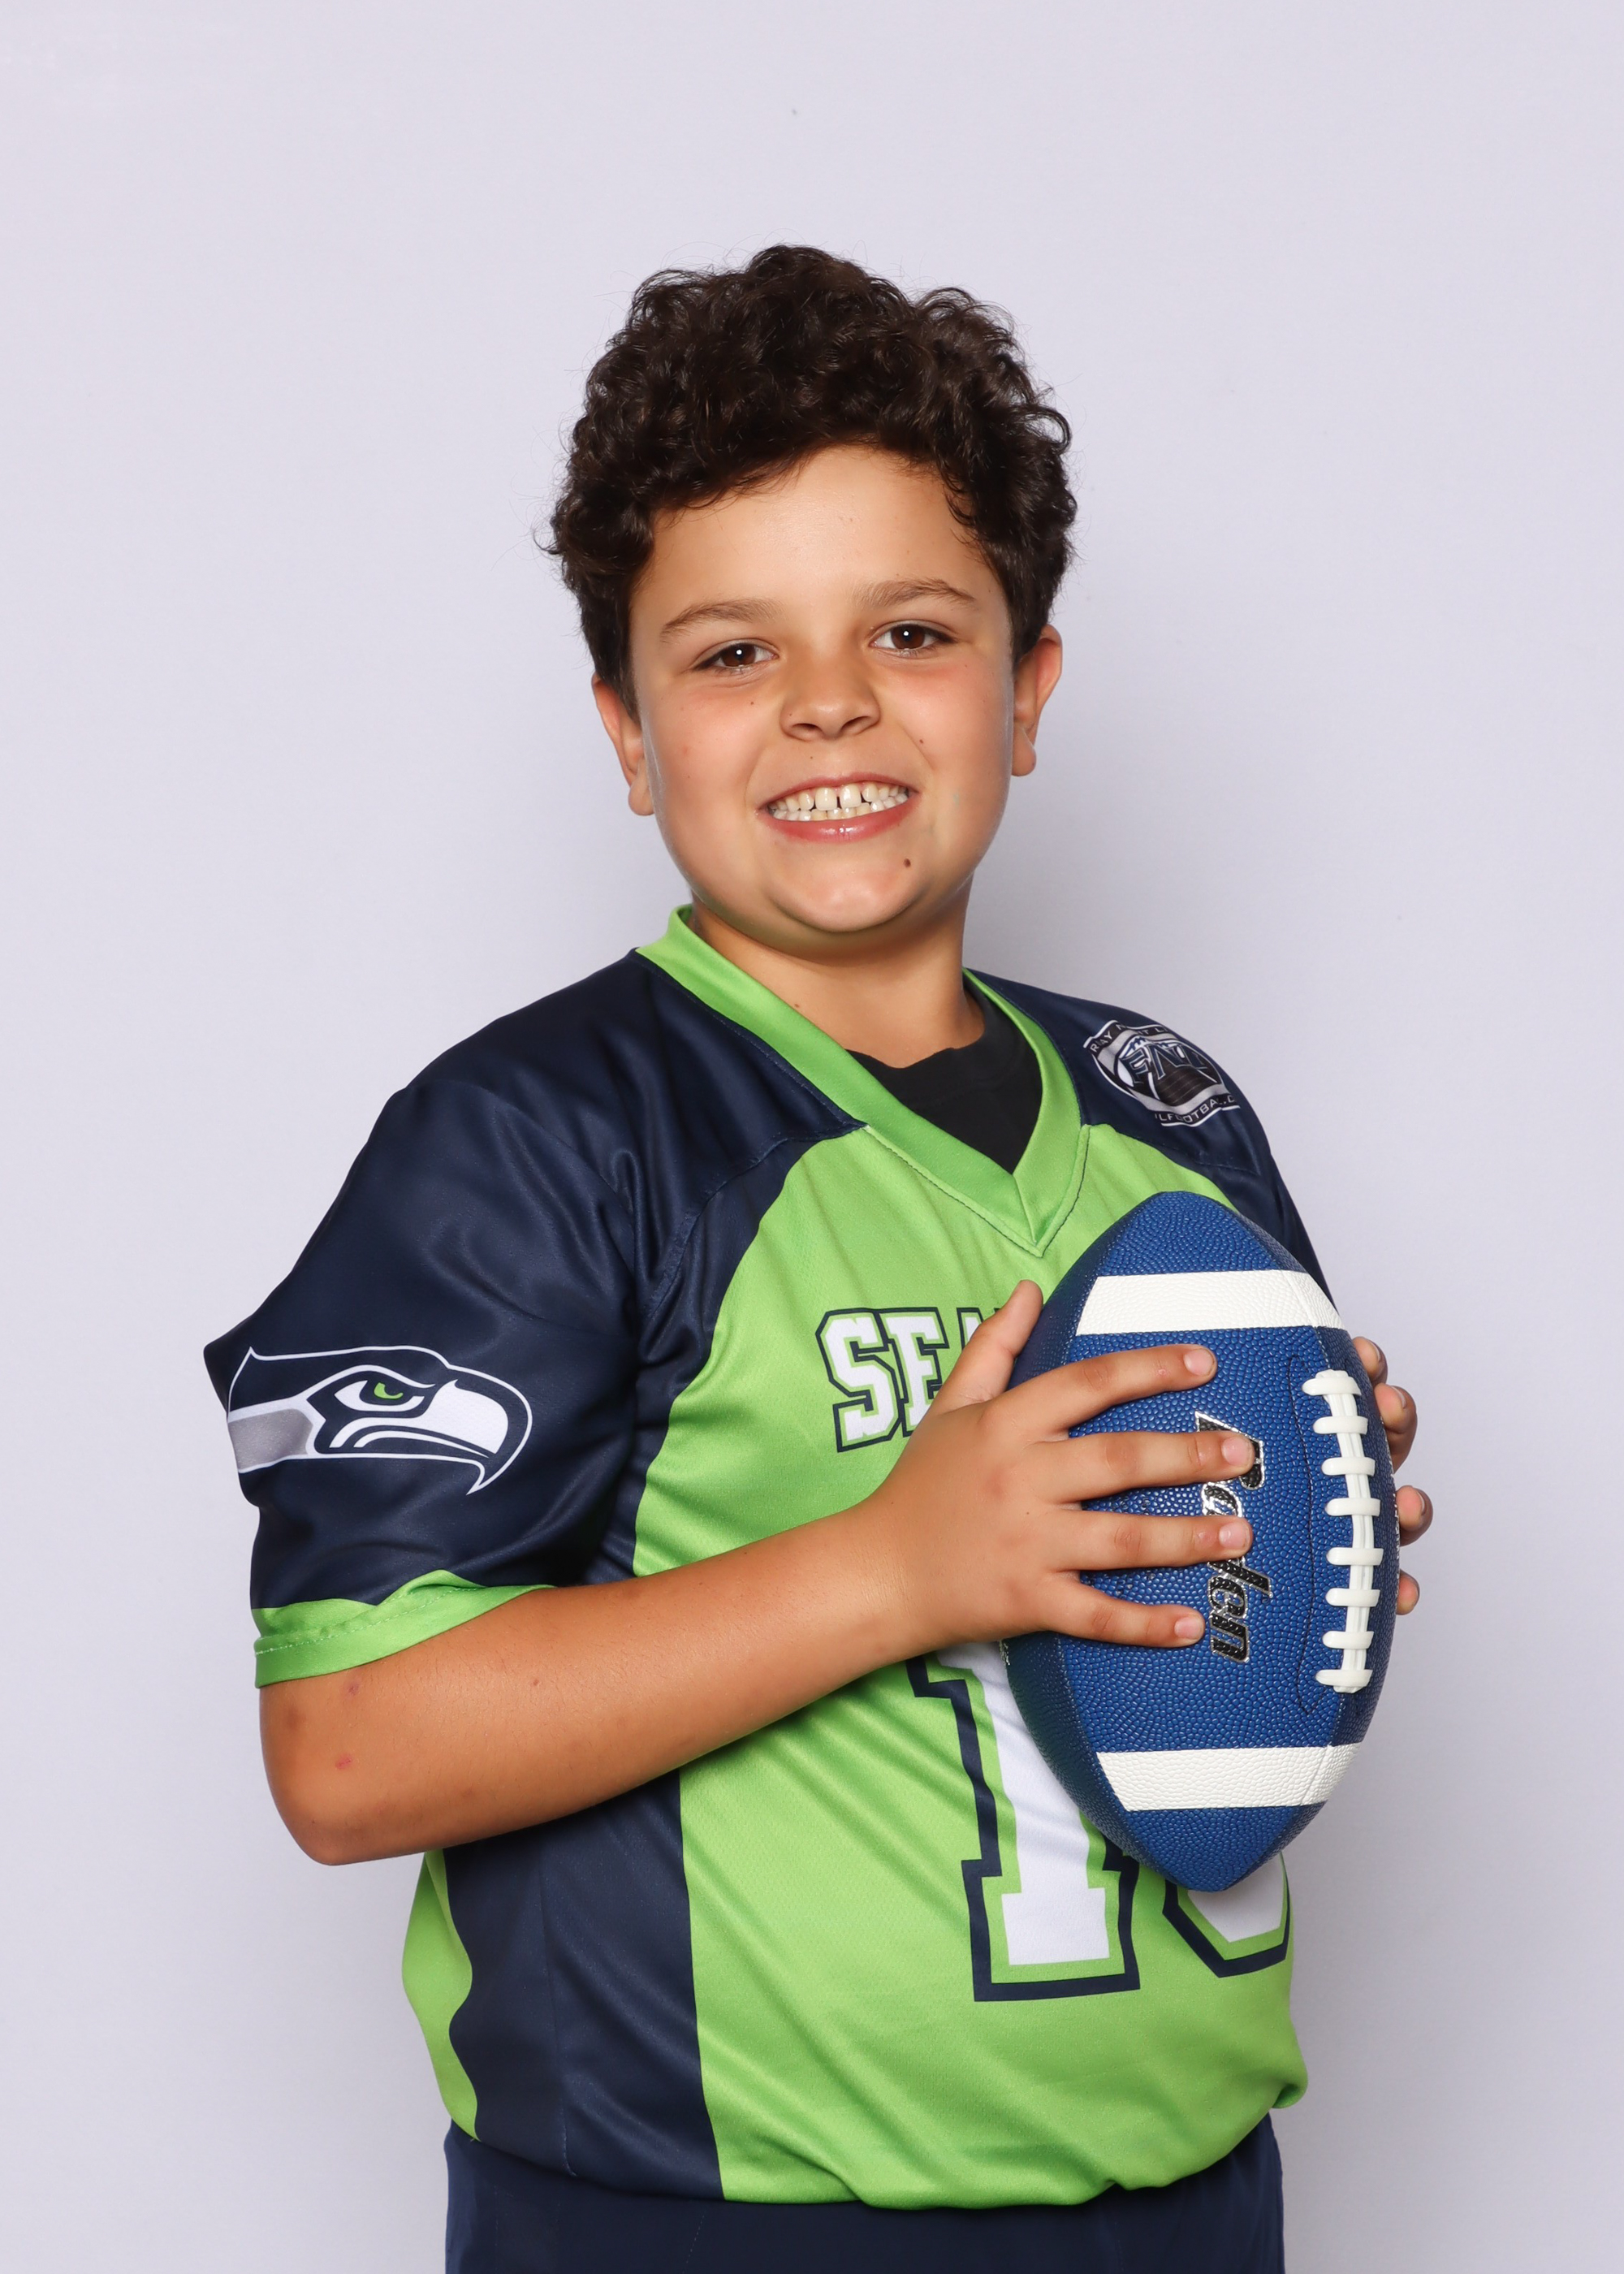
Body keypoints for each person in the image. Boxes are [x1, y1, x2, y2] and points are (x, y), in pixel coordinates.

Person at [205, 246, 1428, 2273]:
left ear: (1027, 691)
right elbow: (348, 1749)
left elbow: (1193, 1609)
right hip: (716, 2223)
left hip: (1192, 2198)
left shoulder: (1170, 1110)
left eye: (912, 629)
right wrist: (899, 1563)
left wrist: (1299, 1527)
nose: (830, 700)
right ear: (626, 732)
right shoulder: (546, 1136)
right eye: (731, 652)